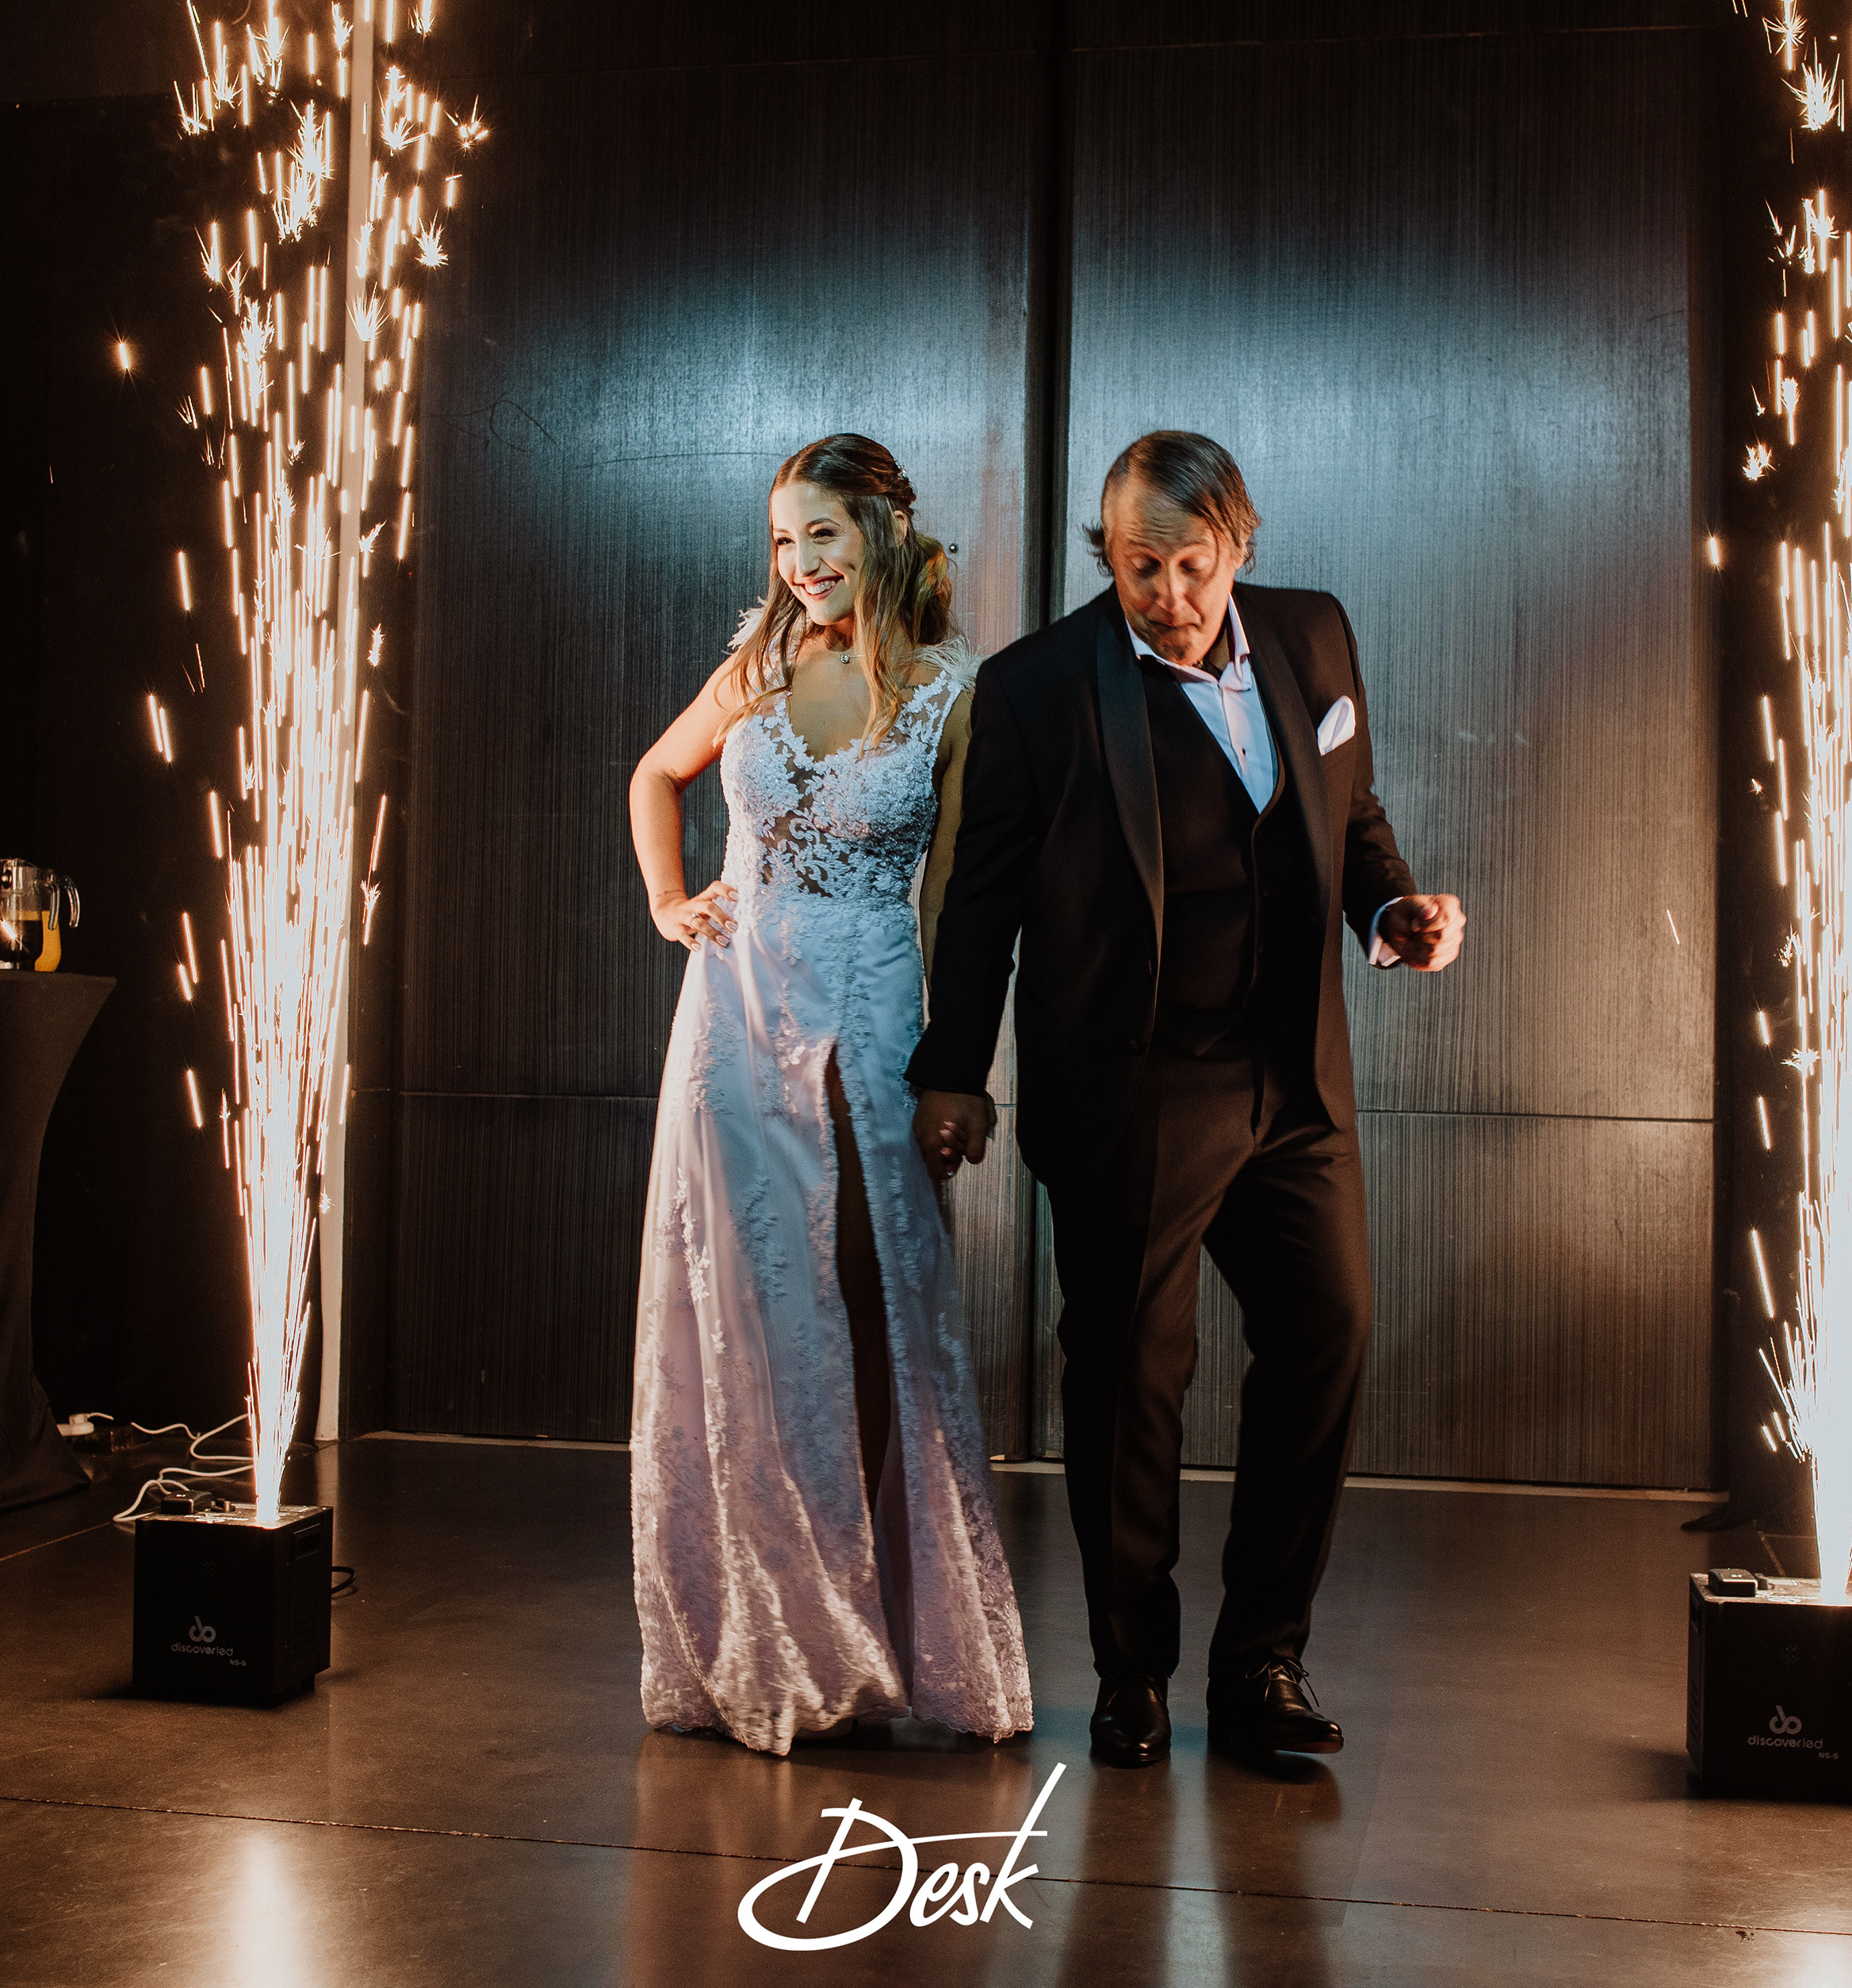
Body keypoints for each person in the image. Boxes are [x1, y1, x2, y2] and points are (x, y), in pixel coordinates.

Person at [909, 431, 1464, 1768]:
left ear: (1239, 544)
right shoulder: (1039, 686)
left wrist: (1391, 907)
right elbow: (980, 900)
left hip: (1294, 1079)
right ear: (1109, 556)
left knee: (1328, 1333)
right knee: (1129, 1381)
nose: (1166, 594)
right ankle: (1133, 1671)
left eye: (1191, 564)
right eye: (1137, 566)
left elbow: (1350, 810)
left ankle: (1264, 1659)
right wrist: (953, 1069)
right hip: (1137, 1081)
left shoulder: (1314, 633)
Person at [625, 435, 1033, 1754]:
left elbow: (959, 898)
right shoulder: (758, 662)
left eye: (823, 534)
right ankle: (764, 1623)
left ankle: (856, 1623)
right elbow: (655, 772)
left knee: (865, 1308)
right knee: (741, 1308)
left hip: (868, 1013)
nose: (801, 563)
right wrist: (671, 898)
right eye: (783, 540)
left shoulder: (952, 690)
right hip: (732, 1015)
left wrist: (953, 1072)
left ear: (884, 533)